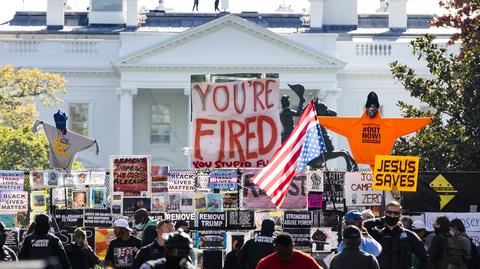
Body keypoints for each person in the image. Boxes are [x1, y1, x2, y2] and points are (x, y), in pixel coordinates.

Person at [364, 201, 427, 269]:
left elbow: (424, 257)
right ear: (385, 213)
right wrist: (381, 220)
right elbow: (361, 225)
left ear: (399, 216)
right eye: (389, 212)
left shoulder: (409, 235)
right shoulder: (376, 233)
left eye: (396, 213)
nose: (392, 215)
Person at [256, 233, 320, 269]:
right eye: (282, 254)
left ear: (293, 247)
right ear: (275, 248)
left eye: (288, 253)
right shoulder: (265, 263)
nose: (285, 257)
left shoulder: (305, 260)